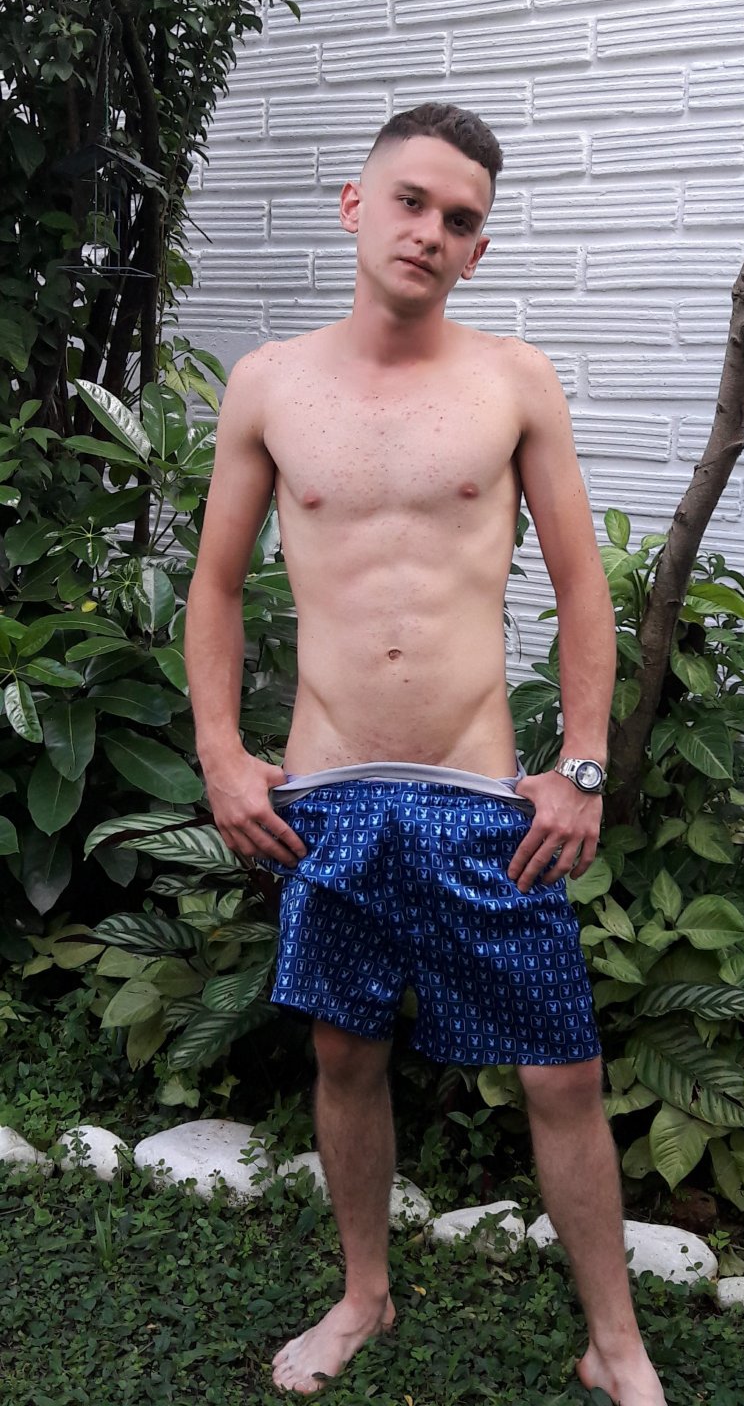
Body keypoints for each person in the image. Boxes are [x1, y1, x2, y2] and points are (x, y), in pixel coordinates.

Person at [185, 103, 666, 1405]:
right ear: (356, 204)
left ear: (477, 247)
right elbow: (215, 585)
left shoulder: (512, 381)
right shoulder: (270, 383)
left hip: (476, 791)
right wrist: (222, 753)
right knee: (345, 1053)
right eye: (411, 201)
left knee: (561, 1067)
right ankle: (364, 1296)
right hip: (328, 791)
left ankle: (614, 1342)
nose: (430, 231)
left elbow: (583, 589)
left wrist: (579, 765)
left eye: (460, 219)